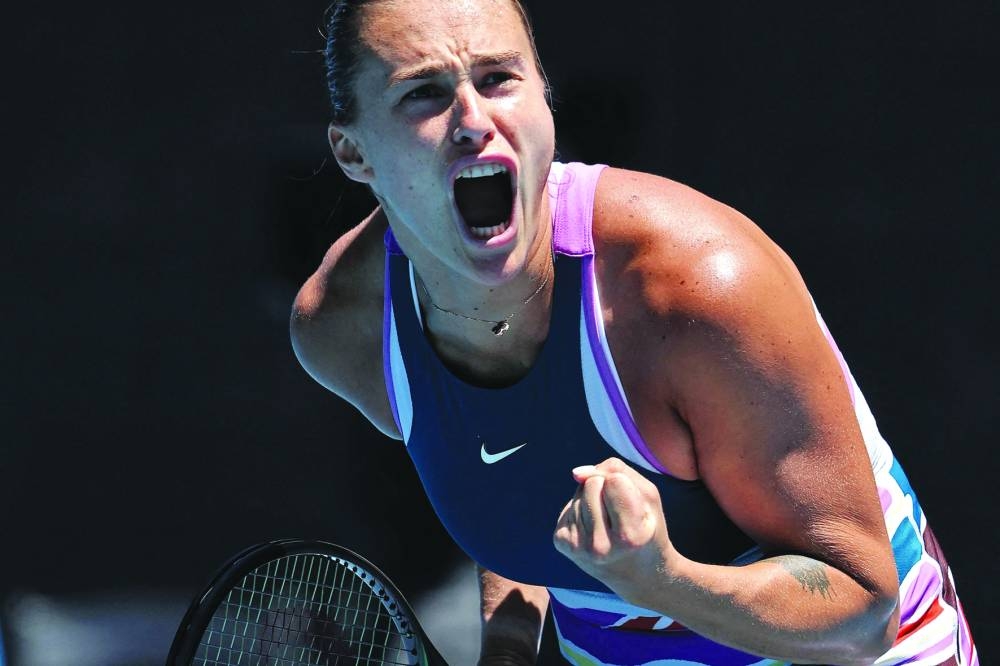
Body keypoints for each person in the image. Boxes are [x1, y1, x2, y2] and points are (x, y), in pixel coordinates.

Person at [290, 0, 978, 663]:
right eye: (423, 94)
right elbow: (509, 483)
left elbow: (864, 612)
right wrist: (508, 646)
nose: (474, 120)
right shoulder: (348, 330)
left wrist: (663, 580)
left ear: (544, 99)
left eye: (499, 77)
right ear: (353, 152)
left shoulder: (695, 285)